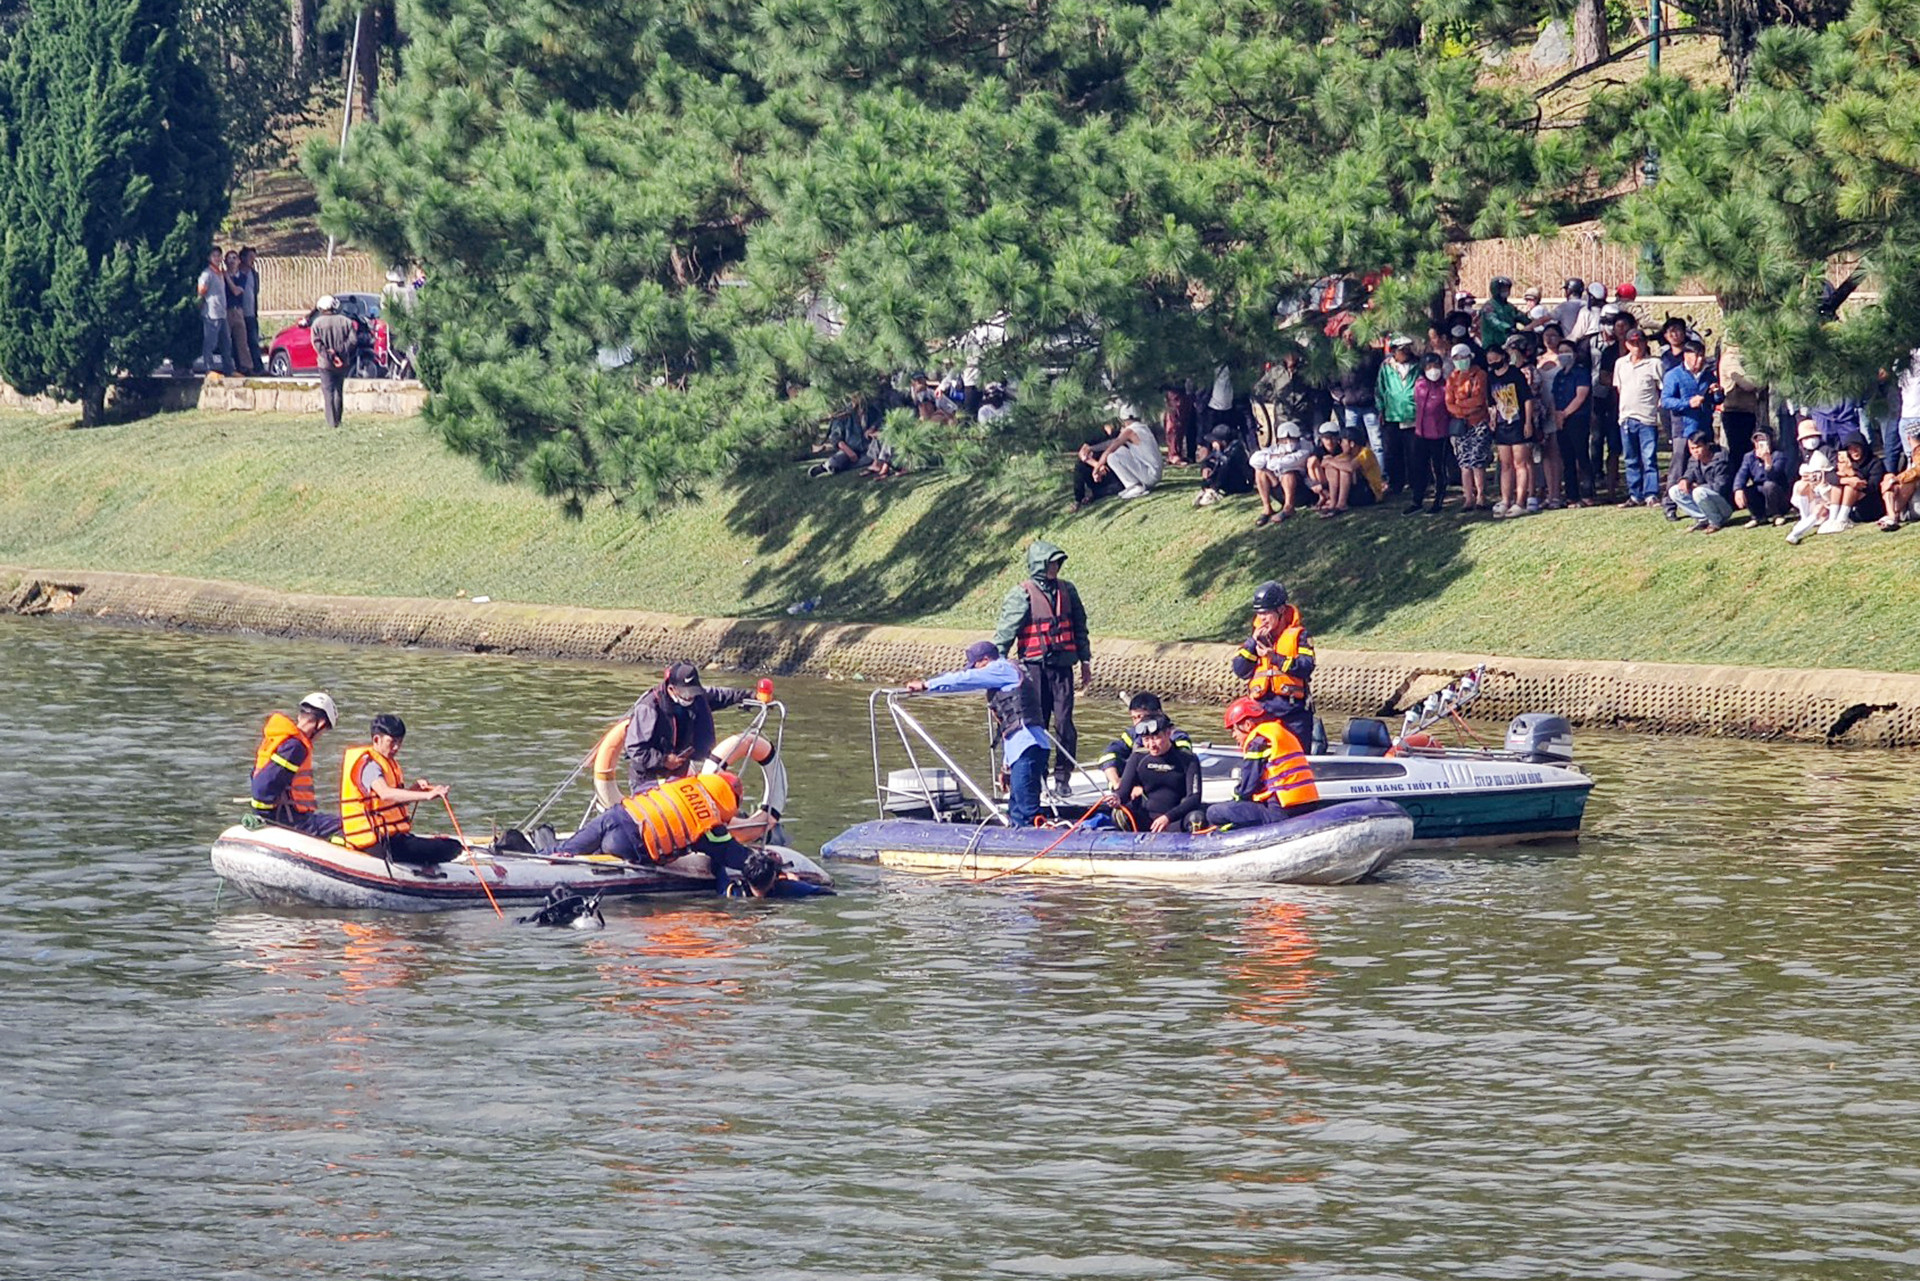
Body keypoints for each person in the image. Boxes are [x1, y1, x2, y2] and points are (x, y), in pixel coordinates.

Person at [552, 771, 773, 894]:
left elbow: (641, 789)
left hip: (616, 816)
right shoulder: (711, 825)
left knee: (562, 853)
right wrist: (771, 864)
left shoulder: (680, 782)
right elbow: (736, 857)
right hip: (631, 846)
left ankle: (550, 851)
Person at [905, 641, 1050, 826]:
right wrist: (1006, 767)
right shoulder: (1008, 673)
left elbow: (965, 679)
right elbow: (1012, 727)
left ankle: (1035, 841)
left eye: (976, 665)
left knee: (1025, 810)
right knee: (1016, 808)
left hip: (1029, 747)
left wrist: (927, 685)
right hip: (1024, 748)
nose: (976, 671)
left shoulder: (1001, 668)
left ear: (985, 660)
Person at [993, 542, 1091, 794]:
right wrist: (998, 667)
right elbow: (1006, 632)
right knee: (1035, 724)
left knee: (1064, 724)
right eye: (1050, 563)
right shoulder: (1021, 594)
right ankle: (1038, 776)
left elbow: (1079, 626)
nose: (1055, 568)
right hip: (1033, 669)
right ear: (1039, 565)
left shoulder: (1068, 590)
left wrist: (1085, 660)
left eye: (1057, 563)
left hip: (1062, 669)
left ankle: (1063, 778)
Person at [338, 714, 464, 867]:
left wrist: (414, 791)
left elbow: (391, 805)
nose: (396, 748)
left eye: (399, 742)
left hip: (391, 838)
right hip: (376, 845)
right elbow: (385, 793)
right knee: (451, 847)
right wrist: (427, 795)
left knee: (449, 845)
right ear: (377, 739)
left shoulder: (387, 762)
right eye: (392, 742)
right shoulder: (369, 765)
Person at [623, 661, 758, 793]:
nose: (691, 697)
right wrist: (664, 760)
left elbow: (722, 695)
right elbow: (635, 748)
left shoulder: (698, 697)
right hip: (647, 776)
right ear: (671, 689)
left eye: (694, 692)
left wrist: (750, 696)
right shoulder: (649, 707)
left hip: (678, 772)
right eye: (686, 693)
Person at [1203, 697, 1319, 830]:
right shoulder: (1281, 732)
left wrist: (1235, 799)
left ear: (1247, 725)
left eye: (1234, 729)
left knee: (1214, 812)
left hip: (1281, 811)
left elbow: (1247, 787)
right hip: (1309, 804)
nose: (1233, 735)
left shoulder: (1258, 742)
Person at [1232, 580, 1314, 746]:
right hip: (1262, 712)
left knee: (1295, 757)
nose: (1262, 618)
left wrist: (1274, 658)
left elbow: (1306, 667)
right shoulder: (1255, 639)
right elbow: (1240, 669)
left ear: (1281, 610)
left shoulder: (1300, 636)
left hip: (1293, 713)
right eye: (1259, 613)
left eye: (1267, 613)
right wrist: (1252, 643)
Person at [249, 691, 342, 838]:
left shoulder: (280, 738)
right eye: (324, 731)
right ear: (321, 724)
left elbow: (256, 776)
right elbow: (263, 787)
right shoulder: (296, 747)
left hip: (281, 816)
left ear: (300, 716)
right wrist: (269, 815)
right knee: (345, 826)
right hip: (293, 822)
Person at [1106, 716, 1204, 833]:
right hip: (1147, 820)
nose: (1151, 745)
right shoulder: (1138, 758)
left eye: (1156, 738)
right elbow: (1123, 792)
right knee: (1119, 814)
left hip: (1175, 820)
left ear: (1168, 733)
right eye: (1146, 739)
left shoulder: (1188, 759)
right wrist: (1116, 798)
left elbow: (1194, 798)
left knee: (1196, 819)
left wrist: (1168, 817)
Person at [1660, 340, 1720, 519]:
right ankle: (1670, 505)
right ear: (1686, 356)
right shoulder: (1674, 375)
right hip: (1683, 429)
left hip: (1704, 428)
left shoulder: (1708, 375)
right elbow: (1666, 401)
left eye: (1702, 355)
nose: (1700, 359)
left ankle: (1708, 502)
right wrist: (1688, 403)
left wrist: (1717, 392)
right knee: (1678, 466)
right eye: (1696, 355)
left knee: (1706, 465)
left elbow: (1716, 400)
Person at [1613, 327, 1665, 507]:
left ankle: (1651, 493)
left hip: (1647, 418)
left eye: (1640, 342)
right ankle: (1635, 494)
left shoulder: (1654, 364)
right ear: (1627, 344)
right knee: (1630, 458)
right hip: (1626, 417)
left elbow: (1662, 388)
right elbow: (1619, 388)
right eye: (1633, 343)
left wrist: (1657, 407)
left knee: (1649, 458)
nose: (1637, 347)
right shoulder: (1620, 363)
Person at [1097, 692, 1193, 788]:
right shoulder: (1133, 735)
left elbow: (1183, 762)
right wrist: (1117, 782)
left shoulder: (1178, 737)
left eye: (1141, 717)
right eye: (1134, 718)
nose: (1138, 723)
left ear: (1158, 713)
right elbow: (1108, 754)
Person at [1485, 339, 1534, 517]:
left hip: (1518, 422)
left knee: (1520, 463)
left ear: (1503, 357)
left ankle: (1521, 500)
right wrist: (1492, 420)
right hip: (1501, 424)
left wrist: (1528, 422)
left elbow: (1527, 399)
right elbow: (1491, 403)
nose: (1493, 363)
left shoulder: (1515, 374)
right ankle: (1506, 499)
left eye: (1495, 358)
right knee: (1505, 464)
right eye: (1489, 360)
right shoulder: (1490, 378)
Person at [1445, 342, 1492, 512]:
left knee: (1477, 460)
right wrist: (1464, 408)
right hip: (1460, 424)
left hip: (1478, 422)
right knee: (1464, 462)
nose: (1459, 361)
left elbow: (1479, 400)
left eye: (1462, 357)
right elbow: (1449, 403)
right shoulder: (1452, 377)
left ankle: (1481, 495)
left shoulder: (1479, 374)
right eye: (1456, 358)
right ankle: (1468, 498)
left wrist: (1460, 404)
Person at [1549, 338, 1592, 506]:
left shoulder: (1581, 372)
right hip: (1561, 420)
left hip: (1577, 418)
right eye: (1560, 352)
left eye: (1566, 351)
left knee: (1581, 456)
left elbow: (1581, 395)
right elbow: (1553, 397)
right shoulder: (1559, 375)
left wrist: (1565, 413)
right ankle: (1571, 495)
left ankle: (1587, 494)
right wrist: (1557, 415)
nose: (1562, 355)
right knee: (1567, 458)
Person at [1406, 351, 1451, 513]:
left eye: (1436, 366)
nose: (1433, 370)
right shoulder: (1419, 384)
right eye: (1429, 367)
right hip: (1420, 433)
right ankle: (1417, 501)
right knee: (1418, 468)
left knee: (1438, 469)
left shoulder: (1445, 386)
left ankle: (1438, 502)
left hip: (1439, 434)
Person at [1375, 335, 1419, 495]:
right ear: (1394, 351)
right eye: (1402, 349)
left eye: (1408, 348)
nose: (1406, 352)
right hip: (1391, 415)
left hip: (1412, 414)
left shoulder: (1417, 365)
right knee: (1392, 451)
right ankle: (1395, 483)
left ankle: (1417, 482)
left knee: (1414, 451)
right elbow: (1380, 389)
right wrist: (1381, 409)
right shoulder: (1386, 367)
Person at [1250, 419, 1314, 525]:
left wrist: (1271, 460)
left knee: (1288, 473)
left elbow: (1286, 463)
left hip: (1301, 490)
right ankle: (1267, 508)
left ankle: (1289, 507)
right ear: (1279, 440)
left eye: (1291, 439)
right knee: (1260, 471)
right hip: (1279, 487)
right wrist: (1272, 456)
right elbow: (1254, 461)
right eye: (1284, 440)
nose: (1288, 443)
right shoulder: (1275, 449)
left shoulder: (1306, 447)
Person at [1669, 431, 1734, 532]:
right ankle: (1703, 519)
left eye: (1698, 447)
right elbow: (1689, 472)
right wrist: (1685, 480)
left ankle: (1716, 522)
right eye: (1692, 448)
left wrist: (1699, 487)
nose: (1695, 451)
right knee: (1675, 490)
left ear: (1707, 445)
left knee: (1699, 492)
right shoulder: (1694, 459)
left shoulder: (1721, 461)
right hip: (1703, 495)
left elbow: (1721, 487)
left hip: (1724, 505)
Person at [1786, 421, 1837, 545]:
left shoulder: (1828, 450)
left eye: (1812, 436)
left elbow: (1835, 471)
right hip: (1813, 491)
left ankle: (1796, 533)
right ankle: (1805, 517)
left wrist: (1821, 475)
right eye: (1806, 438)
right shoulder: (1804, 453)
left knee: (1820, 509)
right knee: (1800, 486)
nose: (1810, 440)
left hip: (1827, 491)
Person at [309, 295, 357, 429]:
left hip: (325, 364)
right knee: (338, 390)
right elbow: (353, 340)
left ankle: (331, 422)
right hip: (343, 362)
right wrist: (340, 351)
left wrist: (329, 355)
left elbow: (317, 343)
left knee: (328, 392)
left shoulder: (317, 324)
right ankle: (338, 419)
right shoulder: (346, 322)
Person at [1826, 430, 1887, 532]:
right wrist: (1847, 480)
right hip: (1852, 506)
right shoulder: (1846, 462)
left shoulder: (1875, 463)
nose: (1854, 452)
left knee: (1851, 487)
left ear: (1863, 447)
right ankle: (1833, 519)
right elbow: (1830, 476)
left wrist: (1855, 480)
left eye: (1856, 448)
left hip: (1870, 506)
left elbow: (1873, 486)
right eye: (1850, 449)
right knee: (1837, 486)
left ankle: (1842, 519)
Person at [1732, 429, 1793, 528]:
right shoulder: (1749, 457)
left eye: (1763, 440)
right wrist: (1738, 489)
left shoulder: (1779, 455)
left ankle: (1777, 515)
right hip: (1760, 491)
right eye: (1757, 441)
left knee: (1769, 486)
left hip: (1778, 493)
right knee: (1748, 490)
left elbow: (1774, 476)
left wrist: (1767, 462)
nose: (1760, 443)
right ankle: (1758, 517)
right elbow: (1742, 474)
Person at [197, 248, 233, 375]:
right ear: (209, 258)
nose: (217, 258)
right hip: (211, 314)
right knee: (210, 343)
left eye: (219, 256)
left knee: (226, 343)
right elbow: (201, 291)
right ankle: (208, 368)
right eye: (214, 256)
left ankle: (229, 370)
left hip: (222, 314)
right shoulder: (207, 274)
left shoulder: (220, 274)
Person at [1880, 421, 1920, 530]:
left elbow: (1917, 470)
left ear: (1908, 438)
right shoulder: (1910, 456)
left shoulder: (1918, 453)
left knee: (1907, 480)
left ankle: (1892, 516)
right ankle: (1892, 516)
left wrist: (1896, 479)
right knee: (1888, 479)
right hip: (1910, 502)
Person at [1478, 277, 1523, 350]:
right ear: (1495, 290)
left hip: (1509, 343)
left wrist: (1531, 322)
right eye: (1503, 289)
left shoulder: (1510, 307)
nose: (1506, 291)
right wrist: (1507, 328)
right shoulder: (1488, 307)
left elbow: (1520, 316)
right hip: (1492, 346)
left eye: (1507, 289)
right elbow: (1494, 321)